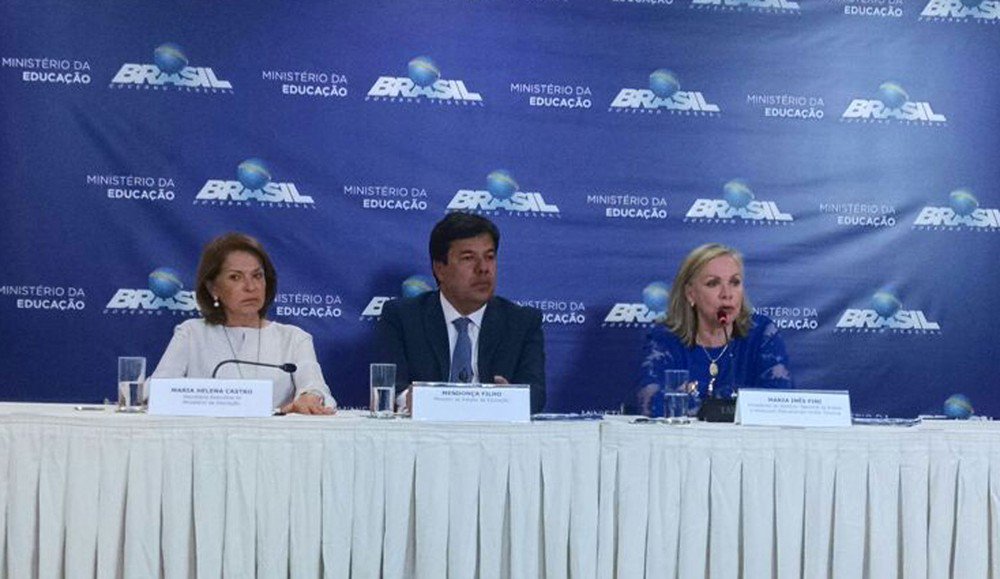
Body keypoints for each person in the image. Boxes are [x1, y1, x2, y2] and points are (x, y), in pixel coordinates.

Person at [377, 212, 546, 414]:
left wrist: (510, 399)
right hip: (424, 431)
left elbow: (536, 395)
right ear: (440, 269)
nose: (483, 268)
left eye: (489, 257)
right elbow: (390, 385)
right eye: (468, 258)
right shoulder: (402, 317)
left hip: (494, 430)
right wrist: (413, 400)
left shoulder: (522, 322)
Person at [152, 232, 335, 415]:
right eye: (235, 277)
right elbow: (155, 392)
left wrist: (310, 397)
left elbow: (316, 388)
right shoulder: (191, 333)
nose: (250, 287)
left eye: (257, 276)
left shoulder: (294, 338)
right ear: (213, 288)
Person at [638, 243, 792, 415]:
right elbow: (652, 405)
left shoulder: (762, 333)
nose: (727, 294)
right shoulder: (665, 338)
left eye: (735, 282)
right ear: (690, 294)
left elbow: (779, 403)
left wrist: (694, 395)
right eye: (713, 283)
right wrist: (729, 402)